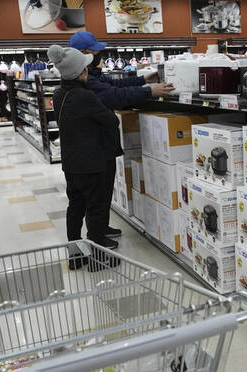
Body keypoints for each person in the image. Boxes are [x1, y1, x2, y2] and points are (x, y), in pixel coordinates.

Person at [68, 31, 175, 241]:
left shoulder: (89, 75)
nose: (100, 55)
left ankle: (100, 228)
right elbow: (113, 96)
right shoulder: (83, 82)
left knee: (103, 194)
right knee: (95, 198)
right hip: (92, 152)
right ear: (84, 54)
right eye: (96, 51)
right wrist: (148, 92)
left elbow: (114, 85)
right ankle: (96, 240)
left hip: (97, 149)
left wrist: (143, 79)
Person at [48, 45, 122, 264]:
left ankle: (75, 255)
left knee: (75, 208)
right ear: (82, 73)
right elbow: (112, 121)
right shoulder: (86, 96)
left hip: (71, 163)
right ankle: (99, 258)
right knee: (96, 209)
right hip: (91, 164)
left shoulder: (59, 93)